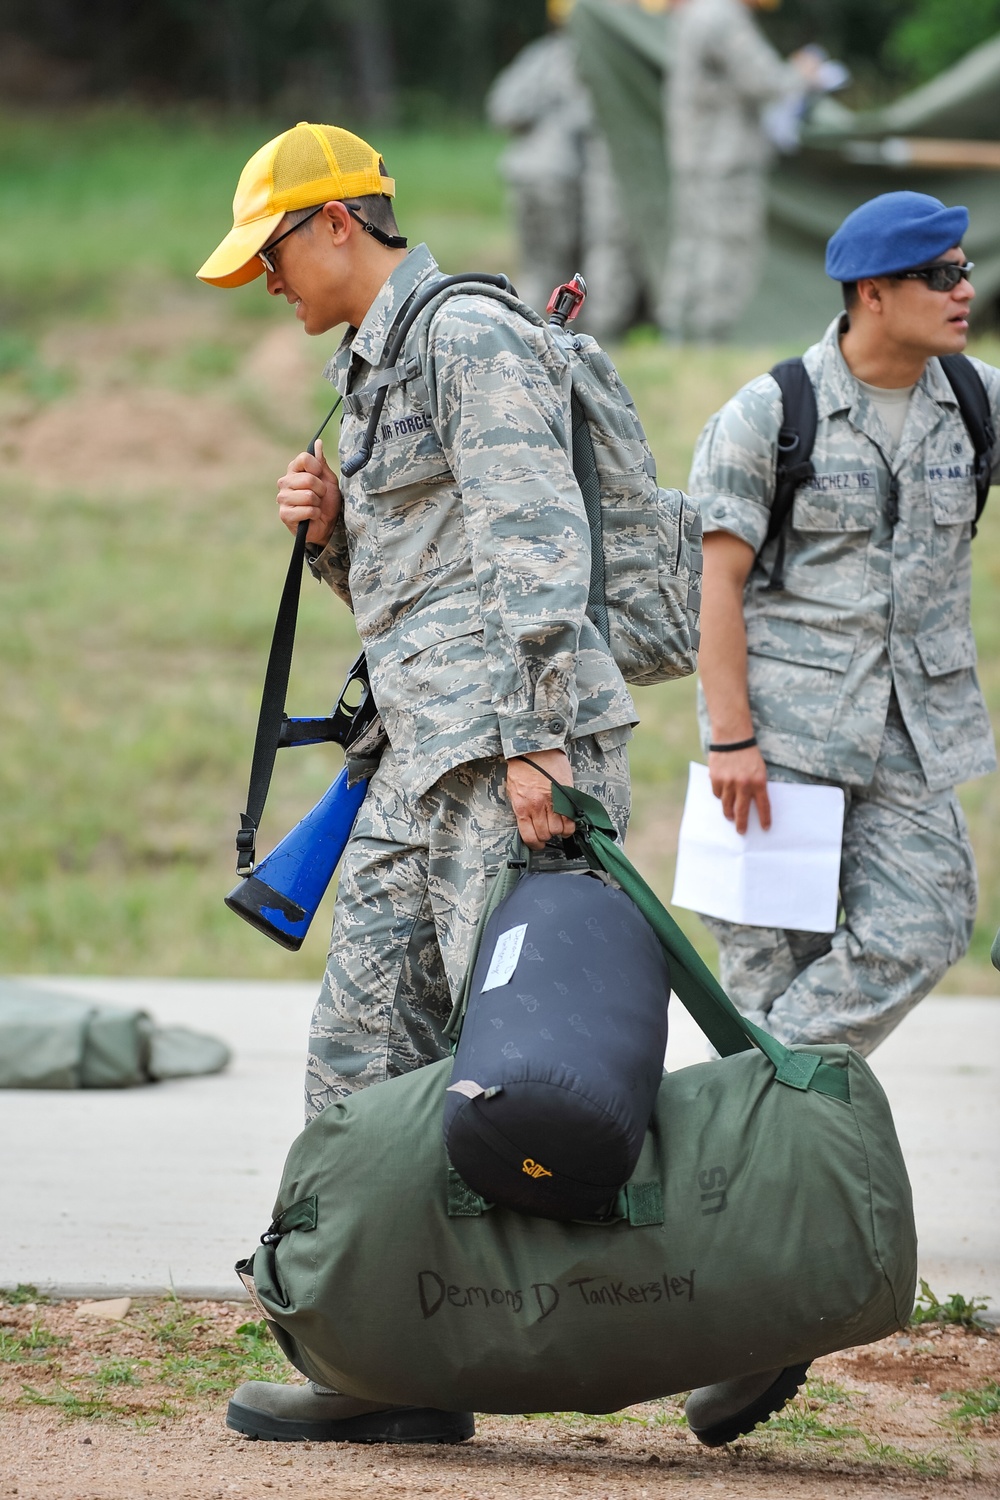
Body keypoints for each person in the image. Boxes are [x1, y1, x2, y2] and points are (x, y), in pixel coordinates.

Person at [196, 121, 699, 1443]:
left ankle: (714, 1315)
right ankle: (385, 1373)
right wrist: (335, 539)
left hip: (514, 762)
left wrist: (543, 749)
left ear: (336, 226)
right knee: (359, 1055)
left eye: (271, 257)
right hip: (416, 767)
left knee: (537, 1071)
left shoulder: (470, 341)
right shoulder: (370, 377)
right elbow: (420, 592)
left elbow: (534, 544)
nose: (269, 287)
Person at [689, 190, 998, 1062]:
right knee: (767, 969)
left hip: (912, 737)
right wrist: (731, 740)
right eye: (938, 276)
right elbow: (718, 586)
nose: (963, 290)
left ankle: (756, 1083)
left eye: (964, 272)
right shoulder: (773, 412)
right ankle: (765, 1149)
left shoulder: (976, 402)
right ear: (871, 292)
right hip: (777, 747)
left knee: (929, 923)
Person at [662, 0, 818, 342]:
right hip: (726, 158)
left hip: (695, 154)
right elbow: (764, 79)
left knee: (691, 244)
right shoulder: (722, 15)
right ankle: (710, 340)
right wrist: (802, 74)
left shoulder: (693, 14)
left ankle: (677, 337)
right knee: (726, 246)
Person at [486, 0, 643, 341]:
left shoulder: (539, 55)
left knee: (535, 262)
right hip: (562, 176)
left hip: (522, 174)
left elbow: (502, 107)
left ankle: (523, 336)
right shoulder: (592, 58)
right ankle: (550, 339)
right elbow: (591, 120)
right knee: (560, 263)